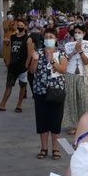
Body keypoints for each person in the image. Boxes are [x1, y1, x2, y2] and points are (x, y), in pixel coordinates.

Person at [30, 29, 68, 160]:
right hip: (40, 90)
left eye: (51, 37)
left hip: (56, 91)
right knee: (42, 120)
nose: (48, 39)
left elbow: (63, 69)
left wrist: (52, 61)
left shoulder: (61, 53)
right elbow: (32, 71)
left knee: (56, 119)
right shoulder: (38, 52)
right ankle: (44, 148)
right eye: (46, 37)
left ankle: (55, 148)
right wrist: (35, 60)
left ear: (56, 39)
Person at [0, 19, 30, 113]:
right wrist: (8, 62)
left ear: (25, 27)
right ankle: (2, 105)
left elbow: (30, 53)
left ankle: (19, 105)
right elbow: (8, 50)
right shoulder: (12, 37)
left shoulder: (28, 38)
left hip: (22, 67)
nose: (19, 27)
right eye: (18, 25)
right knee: (8, 85)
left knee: (22, 86)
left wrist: (26, 66)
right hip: (12, 66)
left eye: (21, 25)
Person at [63, 24, 88, 132]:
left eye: (79, 32)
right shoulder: (68, 45)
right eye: (75, 32)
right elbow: (65, 59)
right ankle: (74, 125)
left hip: (83, 75)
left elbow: (86, 61)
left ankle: (86, 124)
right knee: (71, 100)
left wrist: (80, 51)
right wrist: (73, 52)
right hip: (70, 74)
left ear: (84, 33)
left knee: (85, 100)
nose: (77, 34)